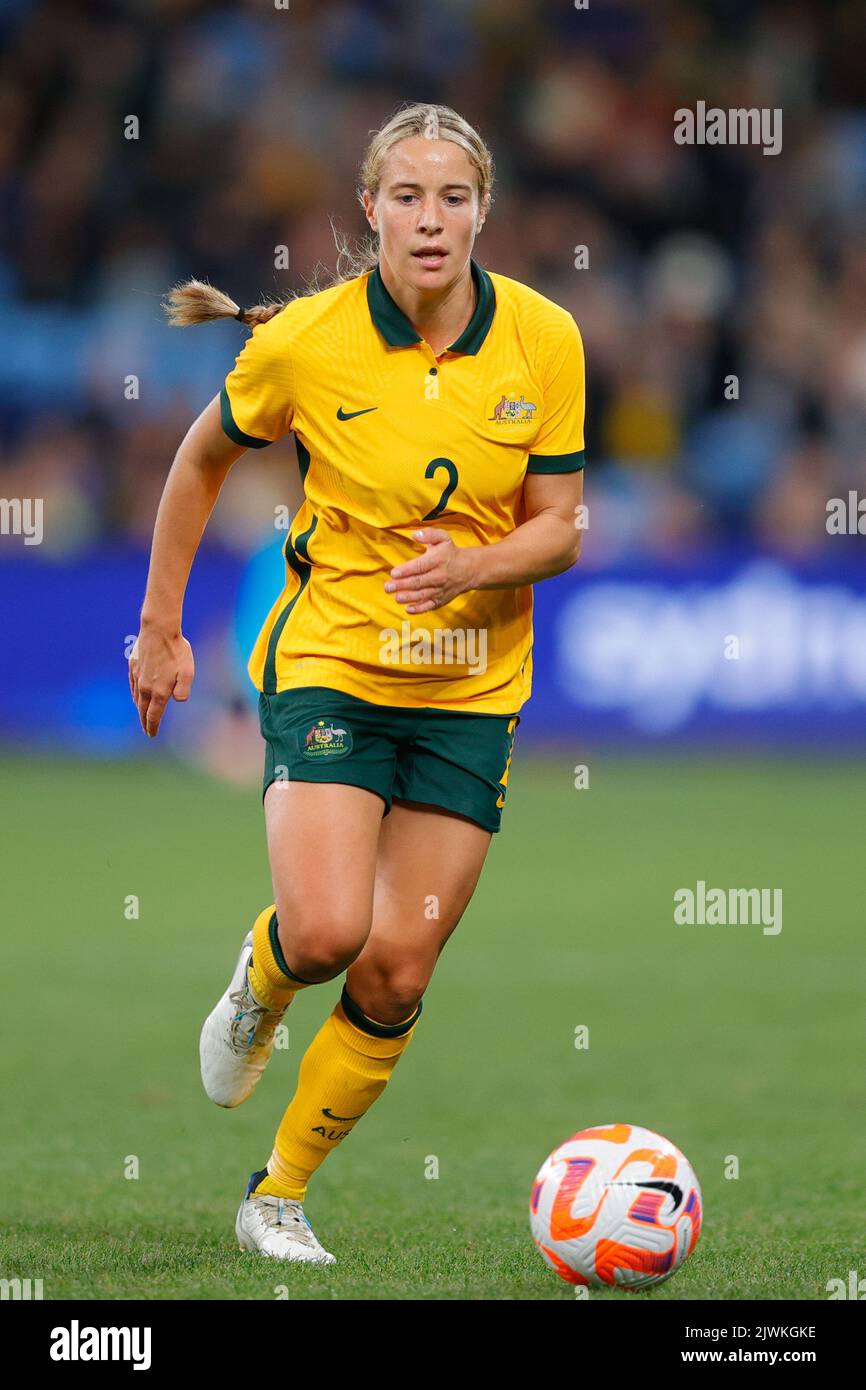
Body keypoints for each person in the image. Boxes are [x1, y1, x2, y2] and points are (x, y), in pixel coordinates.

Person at [128, 101, 586, 1264]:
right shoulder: (304, 342)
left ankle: (274, 1192)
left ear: (483, 208)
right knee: (330, 931)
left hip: (472, 690)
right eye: (406, 195)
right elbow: (197, 461)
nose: (430, 219)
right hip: (332, 663)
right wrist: (160, 628)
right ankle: (264, 977)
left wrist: (474, 564)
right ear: (369, 208)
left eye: (451, 197)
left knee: (397, 963)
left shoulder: (546, 339)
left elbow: (561, 527)